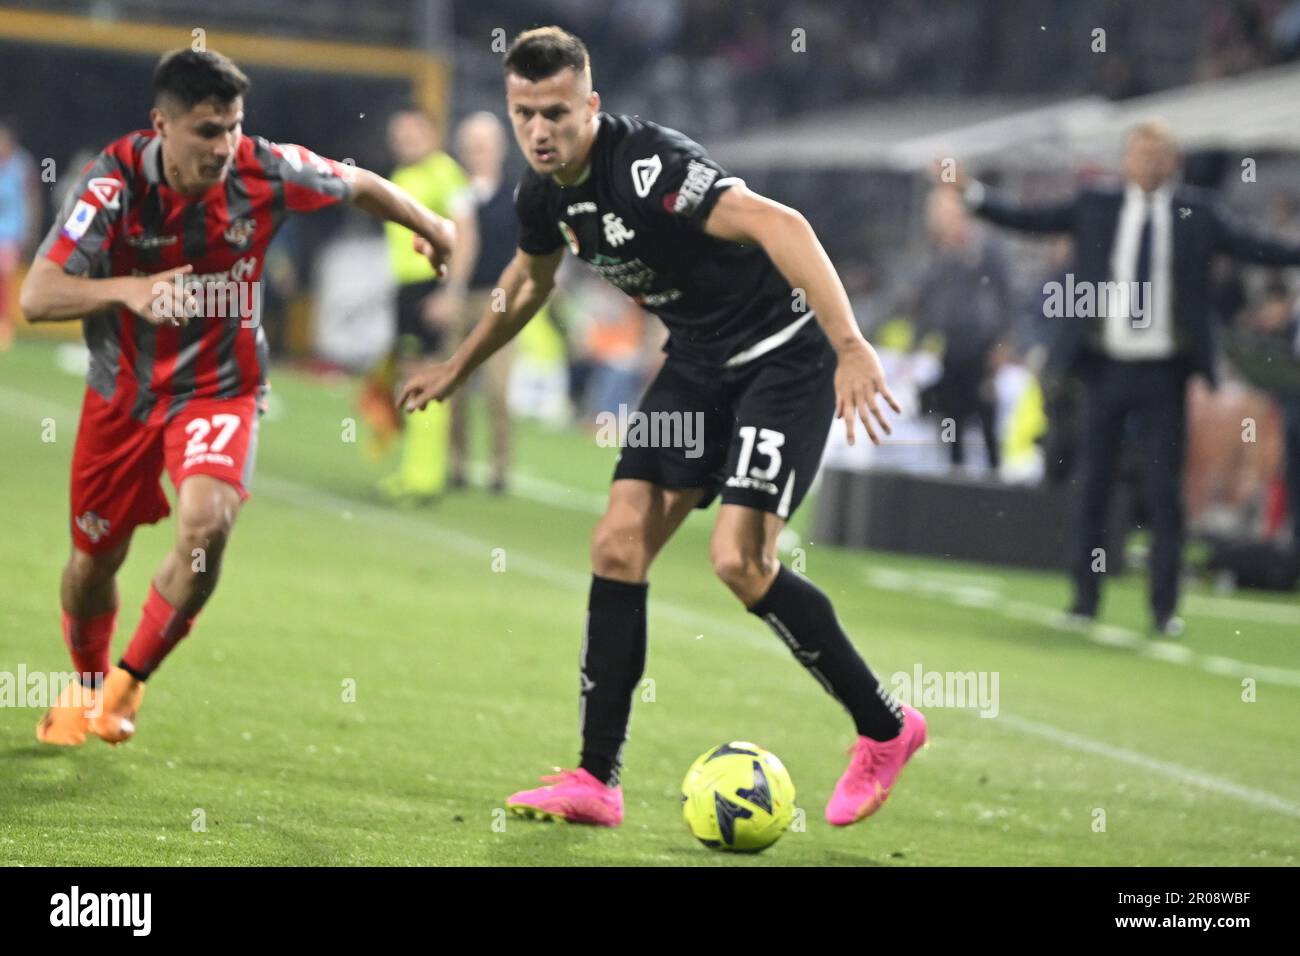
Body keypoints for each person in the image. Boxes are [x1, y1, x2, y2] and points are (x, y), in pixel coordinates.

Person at [399, 27, 927, 828]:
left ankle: (886, 730)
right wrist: (460, 365)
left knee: (739, 561)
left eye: (557, 113)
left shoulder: (651, 166)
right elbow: (527, 281)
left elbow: (781, 223)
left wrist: (852, 346)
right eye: (524, 114)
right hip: (697, 368)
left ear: (592, 106)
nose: (540, 131)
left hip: (784, 360)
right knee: (617, 543)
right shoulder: (540, 193)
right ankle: (596, 779)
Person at [22, 49, 454, 746]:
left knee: (206, 526)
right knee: (93, 561)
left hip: (221, 390)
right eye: (205, 131)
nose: (223, 147)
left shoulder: (265, 167)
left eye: (231, 127)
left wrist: (432, 227)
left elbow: (358, 183)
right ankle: (88, 680)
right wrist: (129, 290)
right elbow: (37, 295)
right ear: (161, 124)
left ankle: (130, 682)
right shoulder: (113, 183)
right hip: (124, 395)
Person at [944, 120, 1300, 635]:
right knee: (1092, 482)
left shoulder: (1194, 213)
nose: (1147, 162)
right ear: (1126, 160)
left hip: (1164, 372)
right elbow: (1031, 219)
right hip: (1104, 368)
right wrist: (971, 193)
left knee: (1163, 491)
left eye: (1158, 153)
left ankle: (1163, 607)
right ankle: (1084, 600)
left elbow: (1255, 245)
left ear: (1173, 162)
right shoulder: (1096, 204)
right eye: (1139, 152)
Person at [377, 109, 479, 502]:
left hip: (429, 286)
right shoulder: (401, 176)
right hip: (405, 288)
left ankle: (425, 478)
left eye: (412, 132)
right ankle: (411, 471)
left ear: (432, 133)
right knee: (409, 376)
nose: (404, 140)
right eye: (398, 133)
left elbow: (466, 234)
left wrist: (451, 291)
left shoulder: (445, 172)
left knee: (427, 376)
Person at [448, 112, 517, 493]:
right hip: (459, 297)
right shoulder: (453, 192)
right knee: (454, 385)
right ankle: (456, 463)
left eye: (484, 146)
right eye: (471, 146)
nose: (477, 153)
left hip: (499, 299)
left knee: (498, 390)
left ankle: (500, 468)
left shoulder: (515, 196)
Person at [0, 121, 40, 351]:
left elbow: (32, 199)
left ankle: (6, 324)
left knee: (6, 278)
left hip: (11, 231)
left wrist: (31, 230)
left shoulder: (21, 165)